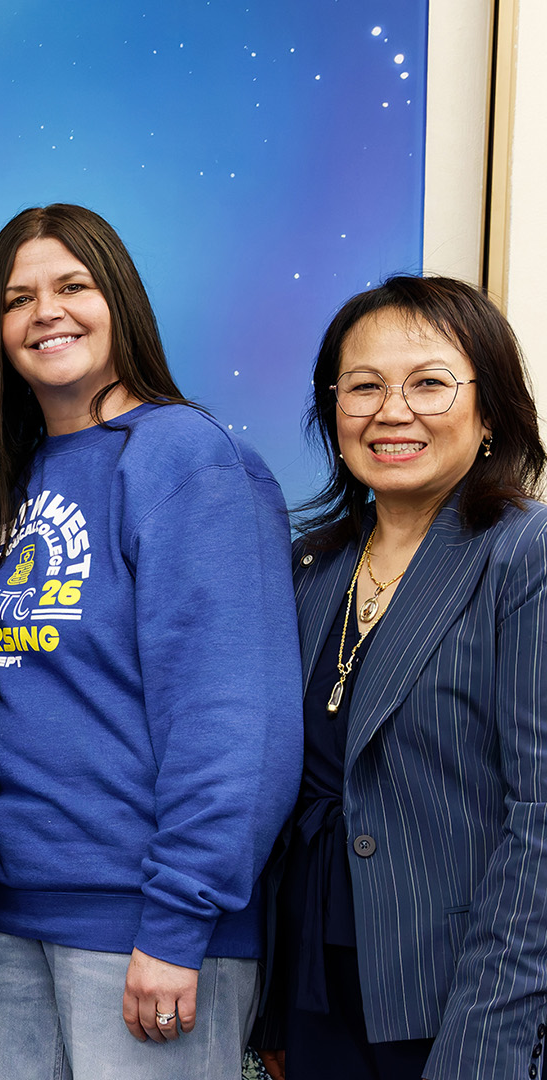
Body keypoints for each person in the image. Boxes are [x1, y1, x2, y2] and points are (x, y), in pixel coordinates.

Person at [0, 203, 301, 1080]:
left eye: (74, 286)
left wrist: (180, 921)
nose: (47, 312)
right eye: (18, 297)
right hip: (7, 923)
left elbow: (235, 716)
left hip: (147, 930)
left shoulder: (187, 460)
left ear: (122, 302)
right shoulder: (9, 490)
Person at [252, 275, 547, 1080]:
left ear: (490, 412)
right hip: (319, 993)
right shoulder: (310, 568)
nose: (392, 411)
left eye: (429, 383)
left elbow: (542, 823)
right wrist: (275, 1000)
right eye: (364, 387)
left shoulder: (524, 555)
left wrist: (486, 1042)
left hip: (461, 1000)